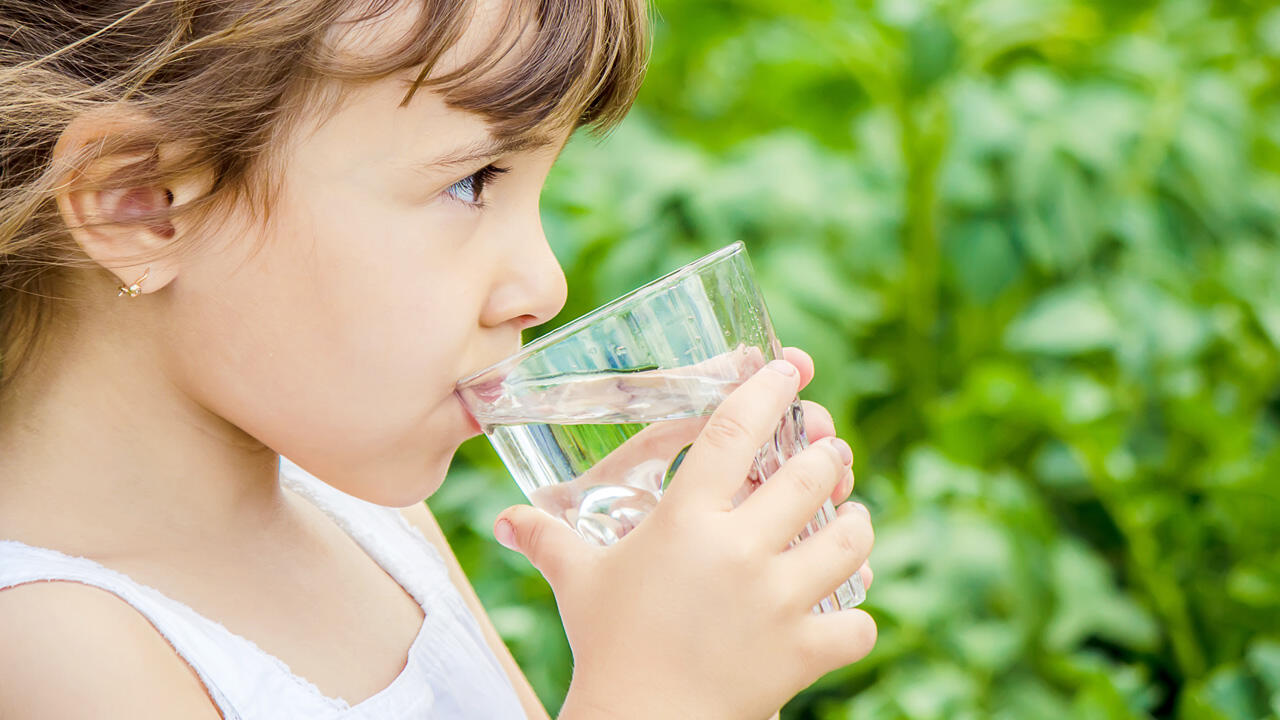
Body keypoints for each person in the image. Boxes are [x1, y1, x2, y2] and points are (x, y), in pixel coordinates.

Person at [0, 1, 877, 718]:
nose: (545, 283)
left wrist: (695, 655)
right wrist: (662, 701)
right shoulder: (51, 654)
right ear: (139, 204)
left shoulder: (368, 526)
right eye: (472, 181)